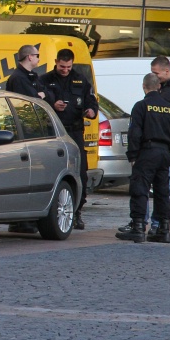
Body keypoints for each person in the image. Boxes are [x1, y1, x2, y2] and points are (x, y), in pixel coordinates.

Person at [118, 56, 170, 235]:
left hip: (159, 148)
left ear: (166, 71)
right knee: (161, 188)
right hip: (164, 149)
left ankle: (142, 225)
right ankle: (161, 228)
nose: (154, 76)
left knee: (143, 186)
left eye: (156, 73)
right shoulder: (166, 100)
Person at [117, 73, 170, 243]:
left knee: (140, 188)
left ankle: (138, 228)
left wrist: (132, 155)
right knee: (162, 191)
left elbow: (135, 133)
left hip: (147, 152)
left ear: (144, 86)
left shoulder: (141, 106)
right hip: (165, 153)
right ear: (159, 86)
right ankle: (164, 230)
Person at [40, 48, 98, 230]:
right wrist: (52, 104)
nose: (65, 70)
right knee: (51, 171)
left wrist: (92, 111)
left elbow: (91, 101)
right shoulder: (45, 80)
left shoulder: (80, 79)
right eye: (62, 66)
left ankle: (77, 212)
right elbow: (38, 104)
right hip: (53, 133)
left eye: (68, 67)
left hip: (75, 132)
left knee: (80, 172)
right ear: (56, 62)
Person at [5, 44, 48, 233]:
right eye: (37, 55)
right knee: (26, 176)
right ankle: (21, 221)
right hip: (24, 133)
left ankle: (26, 219)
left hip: (32, 132)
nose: (39, 58)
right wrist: (39, 96)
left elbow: (46, 94)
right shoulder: (19, 78)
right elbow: (30, 101)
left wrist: (42, 95)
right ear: (29, 57)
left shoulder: (31, 77)